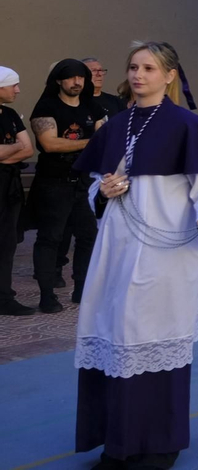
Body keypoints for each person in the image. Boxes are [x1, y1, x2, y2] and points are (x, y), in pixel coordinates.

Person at [74, 41, 198, 469]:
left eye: (148, 67)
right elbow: (94, 184)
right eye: (132, 67)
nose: (138, 75)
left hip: (167, 250)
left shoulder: (187, 125)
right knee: (114, 330)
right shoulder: (115, 126)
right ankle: (117, 443)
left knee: (154, 332)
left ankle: (158, 444)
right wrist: (102, 191)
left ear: (169, 75)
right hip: (118, 246)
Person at [29, 58, 106, 311]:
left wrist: (90, 143)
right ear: (59, 81)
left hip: (84, 183)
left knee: (88, 237)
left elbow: (104, 140)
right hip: (54, 183)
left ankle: (82, 290)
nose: (77, 82)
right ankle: (47, 295)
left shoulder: (91, 107)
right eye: (72, 77)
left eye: (81, 77)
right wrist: (89, 142)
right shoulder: (46, 107)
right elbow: (50, 144)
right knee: (50, 238)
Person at [0, 67, 38, 315]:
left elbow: (29, 149)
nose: (18, 89)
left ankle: (4, 296)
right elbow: (19, 147)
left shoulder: (11, 114)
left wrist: (6, 152)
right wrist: (14, 146)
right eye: (13, 84)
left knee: (7, 243)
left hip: (9, 188)